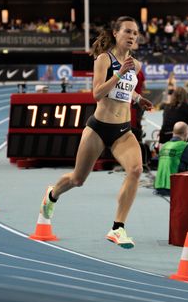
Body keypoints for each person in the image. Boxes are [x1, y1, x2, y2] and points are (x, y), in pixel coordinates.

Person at [38, 16, 153, 249]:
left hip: (123, 129)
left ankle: (118, 228)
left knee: (136, 169)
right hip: (99, 128)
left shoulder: (136, 65)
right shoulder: (104, 59)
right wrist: (119, 73)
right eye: (128, 32)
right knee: (77, 179)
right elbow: (98, 94)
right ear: (115, 34)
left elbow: (126, 91)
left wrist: (138, 99)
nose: (132, 36)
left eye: (135, 33)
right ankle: (52, 194)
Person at [154, 122, 188, 196]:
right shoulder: (184, 147)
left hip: (159, 187)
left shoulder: (165, 146)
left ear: (173, 133)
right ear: (186, 134)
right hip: (174, 188)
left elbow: (156, 161)